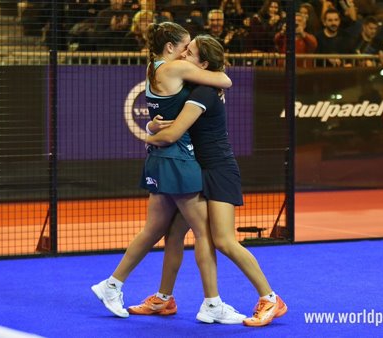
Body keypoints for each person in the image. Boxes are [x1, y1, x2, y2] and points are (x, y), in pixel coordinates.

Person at [91, 21, 246, 325]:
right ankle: (212, 304)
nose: (187, 52)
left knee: (161, 232)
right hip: (177, 160)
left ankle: (115, 286)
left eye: (191, 49)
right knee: (204, 233)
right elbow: (224, 79)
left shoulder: (154, 68)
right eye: (185, 47)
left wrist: (150, 128)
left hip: (163, 160)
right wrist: (150, 133)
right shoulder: (174, 69)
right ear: (170, 48)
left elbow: (160, 116)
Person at [135, 34, 287, 327]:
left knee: (225, 240)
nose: (183, 56)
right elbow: (161, 117)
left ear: (203, 64)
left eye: (189, 53)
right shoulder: (188, 86)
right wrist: (153, 122)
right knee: (174, 234)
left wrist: (148, 136)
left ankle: (270, 298)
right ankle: (164, 299)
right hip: (195, 170)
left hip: (218, 170)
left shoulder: (203, 92)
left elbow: (173, 133)